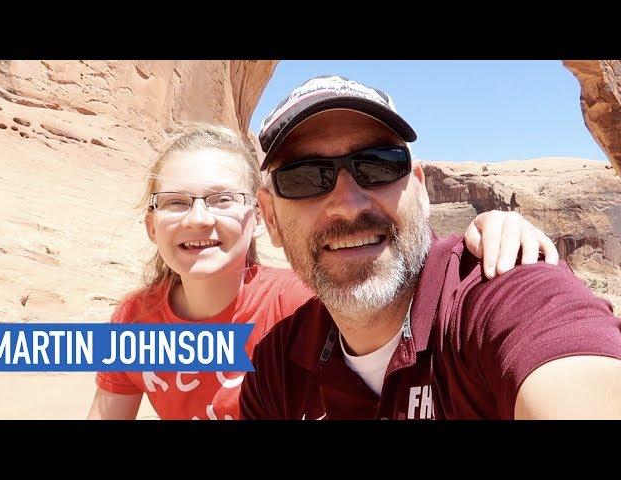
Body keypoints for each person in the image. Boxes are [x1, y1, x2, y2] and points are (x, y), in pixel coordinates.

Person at [86, 122, 555, 420]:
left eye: (224, 199)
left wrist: (493, 231)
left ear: (258, 218)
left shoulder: (300, 308)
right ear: (151, 225)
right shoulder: (133, 320)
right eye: (175, 202)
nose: (198, 219)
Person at [239, 75, 621, 420]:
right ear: (270, 218)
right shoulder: (280, 366)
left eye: (377, 165)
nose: (348, 203)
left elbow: (569, 360)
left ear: (419, 190)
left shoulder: (499, 292)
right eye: (305, 177)